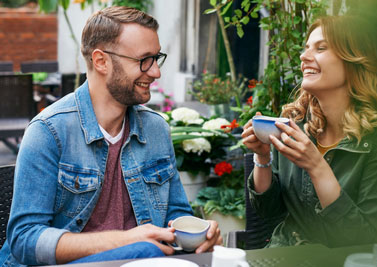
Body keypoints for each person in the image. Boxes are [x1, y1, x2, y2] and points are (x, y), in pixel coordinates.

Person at [0, 6, 221, 266]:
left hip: (143, 262)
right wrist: (124, 240)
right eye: (143, 60)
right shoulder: (49, 131)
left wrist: (199, 232)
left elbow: (176, 215)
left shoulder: (156, 129)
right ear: (101, 61)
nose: (155, 72)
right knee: (145, 251)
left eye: (156, 58)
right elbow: (25, 240)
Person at [241, 15, 377, 248]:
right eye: (306, 49)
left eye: (321, 48)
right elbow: (269, 212)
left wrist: (317, 167)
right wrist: (262, 157)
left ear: (353, 60)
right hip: (285, 256)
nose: (304, 57)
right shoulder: (295, 123)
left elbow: (367, 240)